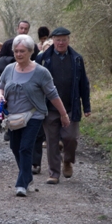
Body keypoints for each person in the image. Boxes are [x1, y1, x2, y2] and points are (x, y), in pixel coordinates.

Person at [0, 35, 70, 197]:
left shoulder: (41, 72)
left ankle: (21, 184)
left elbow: (53, 94)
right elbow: (0, 87)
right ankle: (27, 175)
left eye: (22, 51)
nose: (18, 54)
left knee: (25, 147)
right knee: (14, 147)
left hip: (34, 116)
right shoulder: (9, 69)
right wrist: (0, 96)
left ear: (30, 52)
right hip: (14, 117)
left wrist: (63, 114)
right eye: (16, 51)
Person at [36, 27, 91, 185]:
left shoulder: (77, 59)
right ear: (52, 40)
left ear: (68, 40)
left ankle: (67, 160)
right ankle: (54, 173)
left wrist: (86, 106)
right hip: (49, 107)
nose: (61, 42)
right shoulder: (43, 58)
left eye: (64, 39)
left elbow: (83, 84)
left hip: (70, 106)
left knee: (70, 138)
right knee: (52, 141)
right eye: (58, 39)